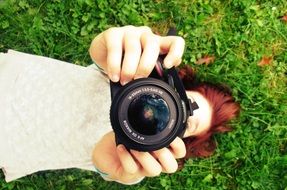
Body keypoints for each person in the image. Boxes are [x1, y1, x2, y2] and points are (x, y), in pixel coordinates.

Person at [0, 26, 239, 185]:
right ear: (174, 87)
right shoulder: (131, 76)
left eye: (186, 124)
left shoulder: (136, 160)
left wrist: (114, 167)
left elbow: (106, 167)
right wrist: (114, 42)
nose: (159, 111)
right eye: (186, 103)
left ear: (178, 139)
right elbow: (102, 55)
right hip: (14, 81)